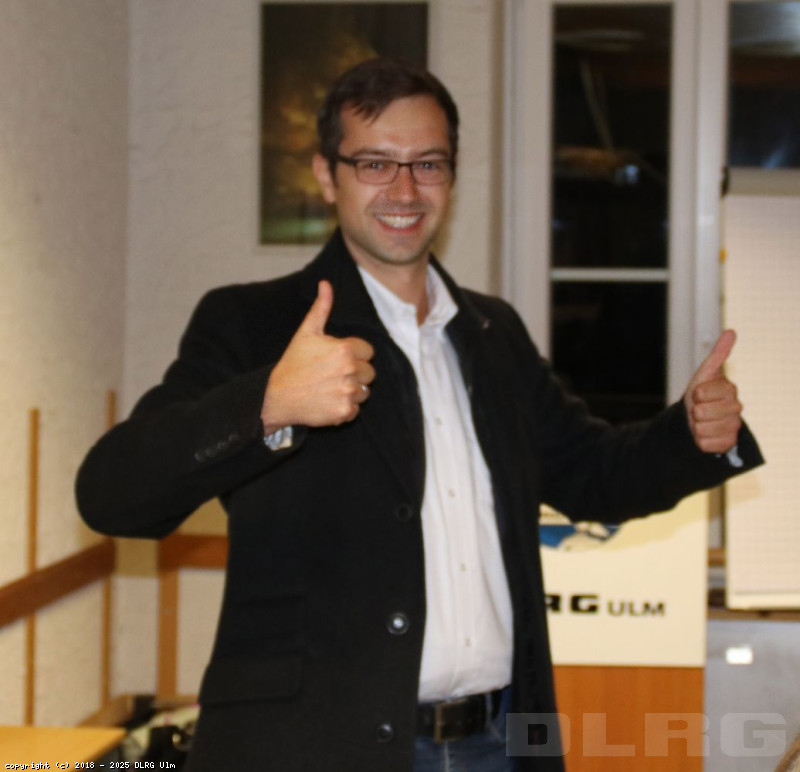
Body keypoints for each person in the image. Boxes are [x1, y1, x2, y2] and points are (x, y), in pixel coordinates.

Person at [76, 58, 763, 772]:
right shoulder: (253, 324)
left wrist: (690, 435)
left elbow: (592, 475)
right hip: (318, 751)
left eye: (428, 164)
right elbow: (111, 494)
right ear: (326, 175)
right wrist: (268, 402)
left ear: (451, 177)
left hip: (498, 743)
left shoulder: (493, 332)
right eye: (375, 163)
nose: (404, 190)